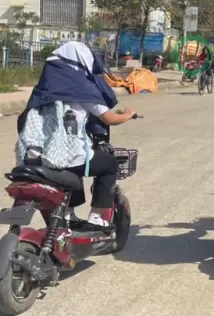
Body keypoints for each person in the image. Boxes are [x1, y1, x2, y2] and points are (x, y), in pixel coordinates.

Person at [18, 42, 136, 228]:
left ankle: (68, 214)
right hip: (63, 154)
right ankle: (96, 218)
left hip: (36, 156)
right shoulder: (82, 88)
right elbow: (109, 118)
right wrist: (128, 114)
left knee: (74, 164)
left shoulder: (44, 88)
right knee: (108, 164)